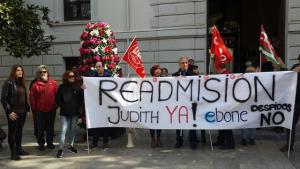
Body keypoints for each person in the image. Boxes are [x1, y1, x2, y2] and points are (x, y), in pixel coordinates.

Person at [1, 64, 30, 160]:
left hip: (23, 111)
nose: (20, 72)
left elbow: (24, 97)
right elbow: (3, 99)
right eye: (18, 70)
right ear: (14, 71)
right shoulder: (8, 83)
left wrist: (27, 108)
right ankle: (13, 153)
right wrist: (9, 111)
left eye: (21, 70)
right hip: (14, 112)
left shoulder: (21, 83)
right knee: (12, 133)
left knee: (19, 132)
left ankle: (19, 149)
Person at [29, 65, 58, 151]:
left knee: (50, 127)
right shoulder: (35, 85)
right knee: (40, 128)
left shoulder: (54, 83)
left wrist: (55, 106)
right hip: (39, 110)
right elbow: (32, 97)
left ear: (47, 73)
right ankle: (41, 144)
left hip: (51, 110)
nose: (42, 73)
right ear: (38, 74)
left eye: (44, 72)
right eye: (40, 72)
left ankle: (50, 143)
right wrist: (35, 109)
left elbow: (57, 96)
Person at [55, 70, 83, 158]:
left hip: (74, 113)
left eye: (73, 76)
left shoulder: (77, 87)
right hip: (64, 113)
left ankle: (71, 146)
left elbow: (81, 99)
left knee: (72, 129)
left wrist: (78, 109)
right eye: (70, 76)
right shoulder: (61, 87)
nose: (72, 78)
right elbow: (57, 99)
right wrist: (63, 106)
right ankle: (60, 149)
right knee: (63, 130)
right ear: (66, 77)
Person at [172, 56, 197, 149]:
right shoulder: (174, 75)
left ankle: (193, 142)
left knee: (192, 122)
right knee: (179, 122)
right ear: (179, 64)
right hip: (179, 103)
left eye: (186, 62)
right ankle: (179, 141)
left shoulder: (193, 75)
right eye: (183, 63)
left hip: (191, 103)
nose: (185, 64)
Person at [213, 64, 235, 150]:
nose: (215, 71)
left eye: (216, 69)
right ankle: (221, 140)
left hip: (226, 104)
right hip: (221, 103)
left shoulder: (226, 75)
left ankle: (230, 143)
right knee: (221, 124)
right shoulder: (224, 75)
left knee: (226, 125)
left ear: (219, 68)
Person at [90, 61, 111, 149]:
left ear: (103, 67)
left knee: (105, 124)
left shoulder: (108, 77)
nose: (98, 68)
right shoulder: (93, 77)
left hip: (105, 104)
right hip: (95, 104)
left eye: (99, 66)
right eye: (96, 67)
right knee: (96, 123)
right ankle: (94, 143)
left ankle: (105, 142)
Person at [280, 63, 300, 152]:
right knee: (290, 124)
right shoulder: (295, 67)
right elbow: (285, 78)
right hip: (294, 101)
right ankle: (289, 145)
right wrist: (292, 72)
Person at [240, 65, 257, 146]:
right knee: (251, 122)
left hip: (248, 104)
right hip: (250, 104)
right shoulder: (257, 79)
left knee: (245, 122)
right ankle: (251, 139)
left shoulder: (243, 79)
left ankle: (245, 139)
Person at [149, 65, 163, 148]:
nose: (158, 71)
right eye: (156, 70)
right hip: (151, 104)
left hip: (160, 104)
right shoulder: (149, 80)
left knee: (159, 122)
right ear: (153, 71)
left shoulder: (164, 80)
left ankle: (158, 138)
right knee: (151, 122)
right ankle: (152, 138)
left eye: (159, 69)